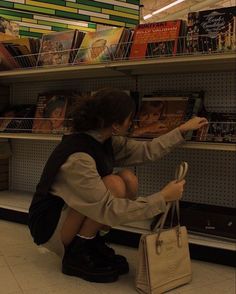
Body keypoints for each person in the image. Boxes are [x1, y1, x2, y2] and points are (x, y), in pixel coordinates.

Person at [28, 88, 208, 283]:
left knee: (128, 178)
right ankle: (76, 254)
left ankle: (90, 241)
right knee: (114, 183)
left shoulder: (103, 139)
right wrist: (163, 198)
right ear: (114, 125)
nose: (132, 122)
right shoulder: (78, 157)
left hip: (70, 213)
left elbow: (146, 150)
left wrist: (181, 131)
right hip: (49, 227)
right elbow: (108, 209)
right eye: (129, 118)